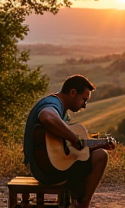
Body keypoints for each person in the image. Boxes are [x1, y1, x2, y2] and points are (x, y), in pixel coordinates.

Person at [23, 74, 109, 208]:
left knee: (92, 155)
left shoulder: (62, 111)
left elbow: (67, 146)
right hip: (46, 170)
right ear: (73, 92)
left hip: (46, 167)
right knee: (101, 156)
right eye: (84, 100)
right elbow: (47, 117)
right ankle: (83, 204)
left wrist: (92, 144)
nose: (84, 106)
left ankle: (76, 202)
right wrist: (74, 138)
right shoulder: (52, 103)